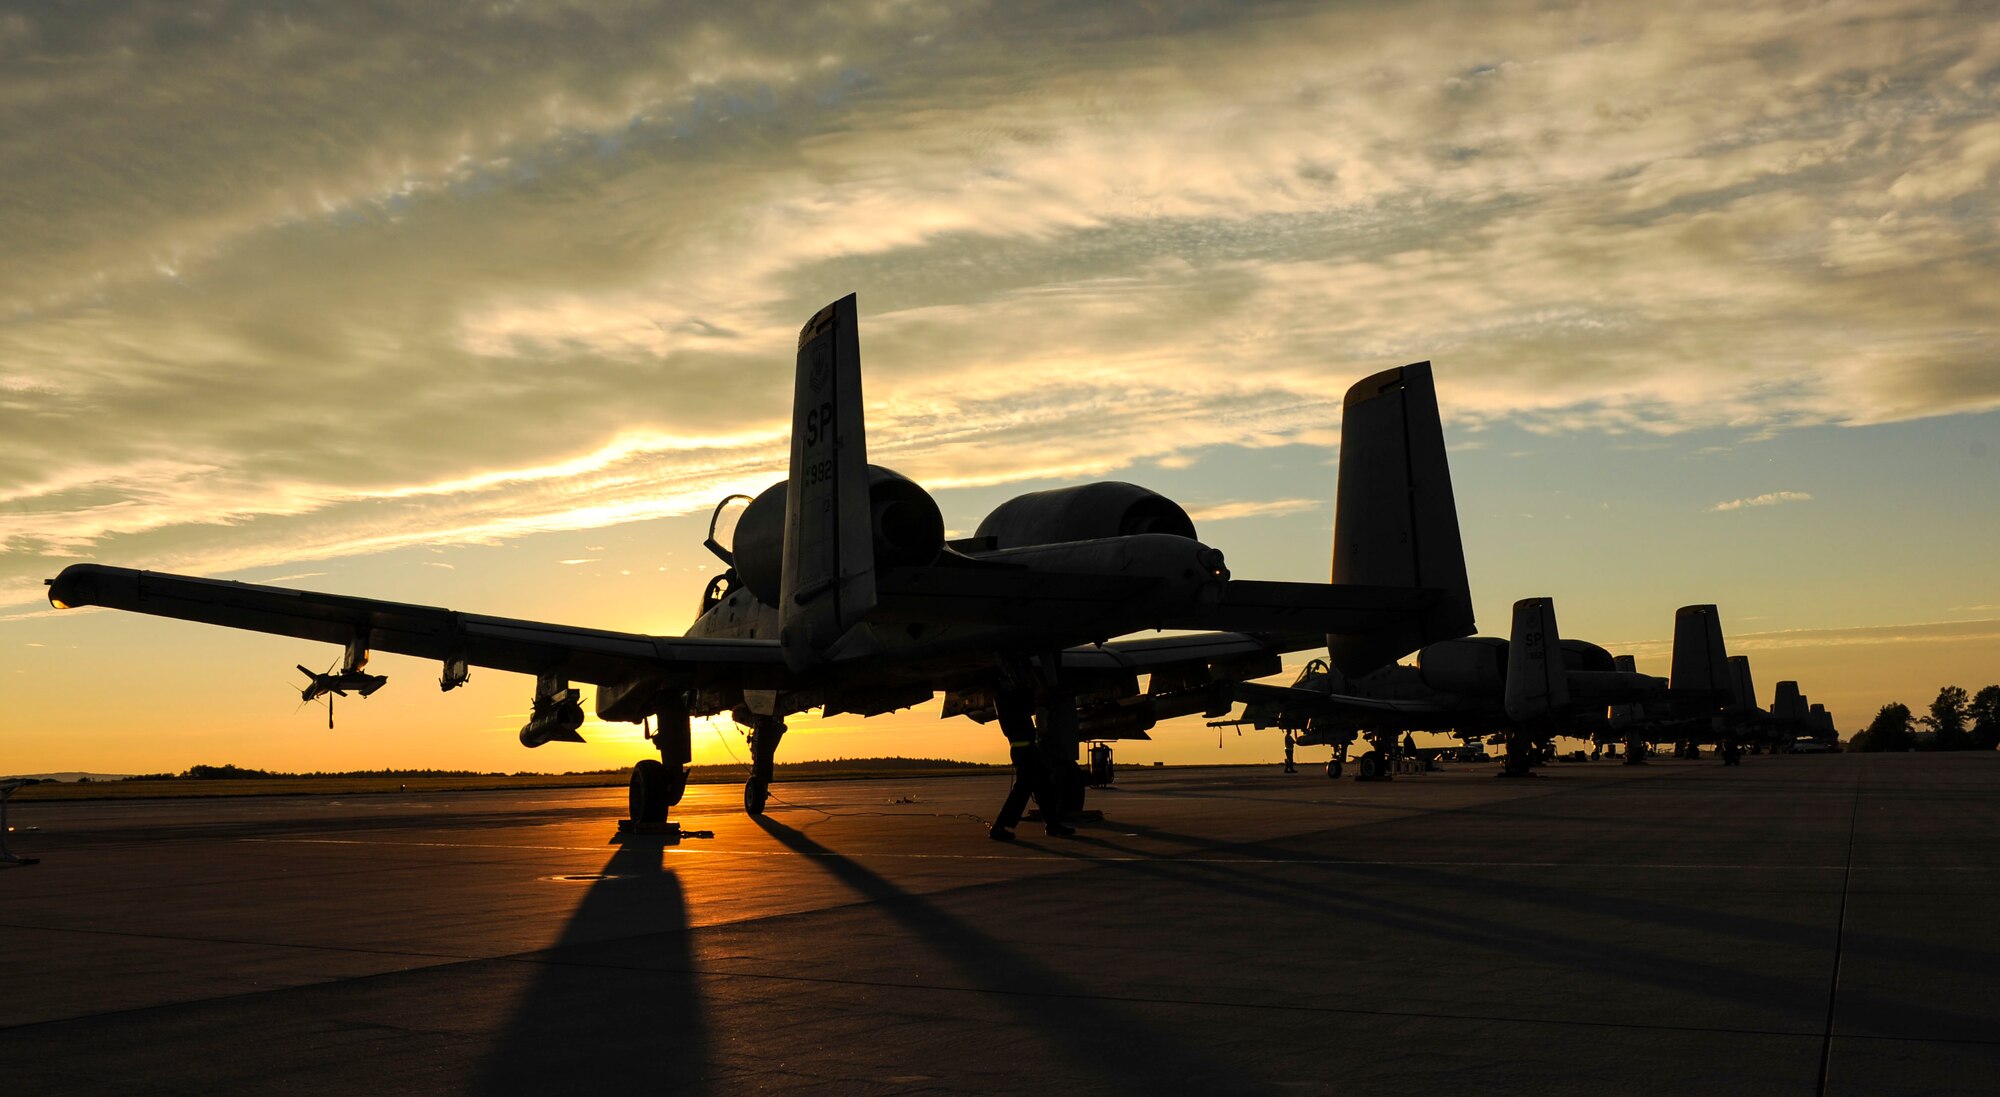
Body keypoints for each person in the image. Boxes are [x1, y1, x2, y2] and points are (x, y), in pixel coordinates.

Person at [991, 694, 1074, 840]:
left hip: (1028, 750)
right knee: (1023, 789)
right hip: (1024, 751)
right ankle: (1000, 826)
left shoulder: (1006, 697)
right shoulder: (1006, 698)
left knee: (1043, 787)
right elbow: (1027, 704)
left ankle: (1053, 824)